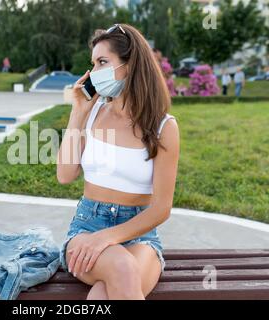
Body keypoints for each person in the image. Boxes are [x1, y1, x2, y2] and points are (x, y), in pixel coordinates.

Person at [57, 23, 180, 300]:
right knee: (122, 267)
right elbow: (65, 175)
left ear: (130, 64)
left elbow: (161, 208)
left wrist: (109, 237)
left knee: (101, 296)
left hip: (140, 235)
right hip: (87, 227)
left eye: (103, 62)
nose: (94, 73)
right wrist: (78, 112)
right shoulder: (92, 113)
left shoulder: (163, 127)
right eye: (93, 64)